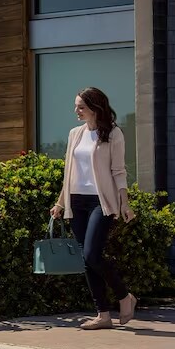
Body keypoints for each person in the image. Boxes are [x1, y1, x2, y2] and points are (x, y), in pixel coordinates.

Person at [50, 87, 138, 330]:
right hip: (76, 201)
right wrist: (60, 202)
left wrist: (125, 203)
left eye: (81, 107)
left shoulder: (113, 134)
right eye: (76, 106)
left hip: (101, 202)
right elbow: (69, 172)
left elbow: (118, 172)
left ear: (95, 108)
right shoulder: (74, 134)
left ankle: (124, 296)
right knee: (88, 260)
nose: (76, 110)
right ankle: (103, 314)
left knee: (91, 254)